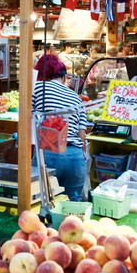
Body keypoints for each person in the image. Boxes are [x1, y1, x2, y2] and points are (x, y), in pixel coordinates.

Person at [32, 54, 87, 200]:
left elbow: (27, 118)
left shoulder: (36, 87)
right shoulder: (76, 97)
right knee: (72, 209)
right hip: (75, 157)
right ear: (63, 77)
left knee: (43, 206)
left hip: (49, 153)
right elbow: (82, 135)